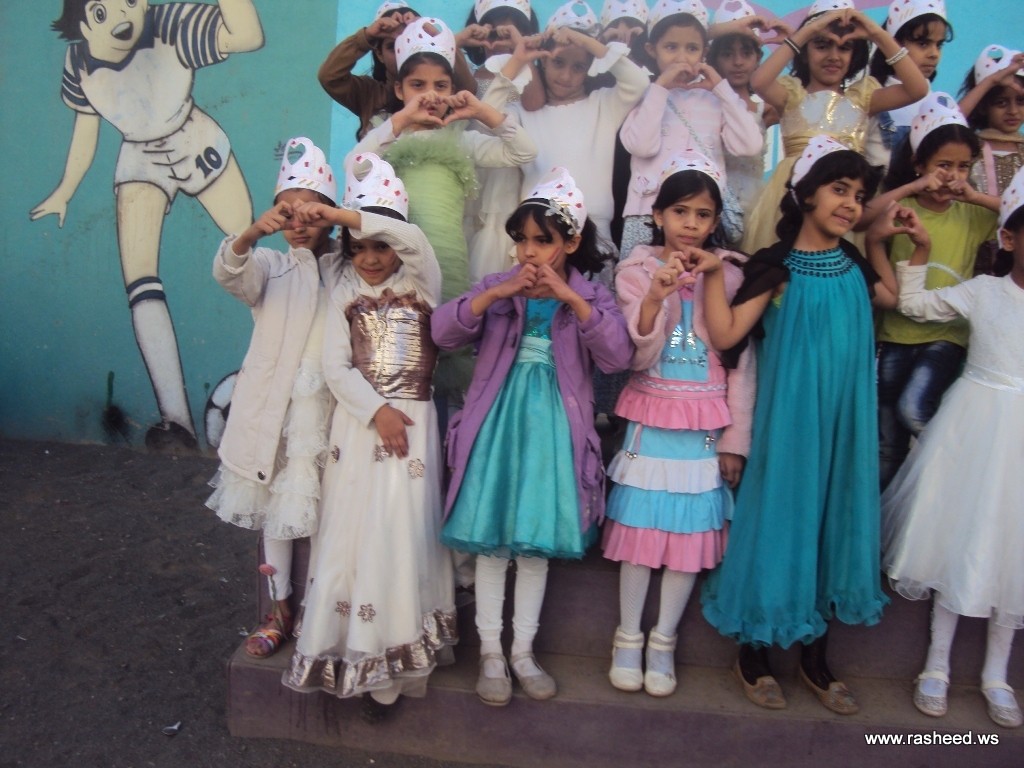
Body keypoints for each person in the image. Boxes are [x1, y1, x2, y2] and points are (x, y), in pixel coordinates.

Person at [695, 137, 898, 714]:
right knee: (781, 521)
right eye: (839, 189)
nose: (851, 204)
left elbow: (889, 296)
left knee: (832, 523)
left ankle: (815, 657)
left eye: (859, 196)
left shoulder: (853, 264)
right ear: (806, 193)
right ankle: (753, 652)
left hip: (843, 426)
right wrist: (714, 274)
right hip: (789, 426)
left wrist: (877, 243)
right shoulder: (775, 266)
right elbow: (728, 334)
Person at [433, 169, 632, 706]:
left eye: (542, 240)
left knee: (535, 548)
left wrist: (571, 298)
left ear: (572, 241)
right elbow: (442, 332)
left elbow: (618, 355)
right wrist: (495, 292)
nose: (528, 252)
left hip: (553, 434)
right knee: (493, 545)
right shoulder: (500, 288)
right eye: (521, 239)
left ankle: (522, 652)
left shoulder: (590, 294)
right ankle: (491, 654)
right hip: (496, 429)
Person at [30, 0, 264, 451]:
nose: (122, 16)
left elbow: (247, 36)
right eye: (102, 12)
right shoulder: (78, 61)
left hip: (195, 139)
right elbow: (85, 129)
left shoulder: (171, 25)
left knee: (252, 258)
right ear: (82, 24)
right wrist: (65, 190)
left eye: (131, 2)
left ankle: (268, 387)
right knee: (140, 280)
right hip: (140, 157)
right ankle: (177, 422)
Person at [282, 153, 456, 723]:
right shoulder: (343, 292)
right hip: (358, 430)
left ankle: (397, 659)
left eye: (380, 246)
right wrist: (377, 411)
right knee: (353, 531)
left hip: (413, 431)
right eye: (359, 250)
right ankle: (356, 653)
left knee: (398, 530)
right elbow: (336, 366)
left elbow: (411, 240)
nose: (372, 258)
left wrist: (341, 215)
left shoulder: (422, 282)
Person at [603, 153, 755, 698]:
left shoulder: (731, 274)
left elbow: (741, 362)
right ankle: (627, 636)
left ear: (715, 222)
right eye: (680, 211)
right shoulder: (635, 271)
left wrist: (736, 441)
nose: (690, 224)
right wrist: (655, 297)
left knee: (690, 536)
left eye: (703, 214)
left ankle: (663, 640)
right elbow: (634, 354)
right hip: (651, 415)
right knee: (640, 533)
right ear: (658, 216)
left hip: (706, 422)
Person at [882, 166, 1024, 730]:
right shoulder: (985, 292)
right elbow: (913, 306)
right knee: (958, 532)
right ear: (1008, 238)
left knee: (1014, 547)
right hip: (975, 427)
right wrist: (919, 251)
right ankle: (936, 664)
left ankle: (997, 674)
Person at [350, 15, 537, 408]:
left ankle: (440, 439)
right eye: (417, 86)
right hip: (397, 267)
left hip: (448, 264)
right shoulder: (388, 135)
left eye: (441, 85)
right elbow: (355, 165)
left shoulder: (461, 139)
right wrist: (401, 121)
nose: (430, 95)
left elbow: (523, 152)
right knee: (401, 357)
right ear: (398, 88)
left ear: (454, 89)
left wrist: (481, 112)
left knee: (446, 356)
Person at [206, 138, 340, 659]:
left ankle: (318, 611)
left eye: (310, 210)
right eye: (287, 211)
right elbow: (229, 274)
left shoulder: (347, 267)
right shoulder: (268, 265)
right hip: (278, 409)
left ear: (329, 213)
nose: (298, 222)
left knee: (329, 507)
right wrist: (251, 233)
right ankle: (279, 608)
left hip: (330, 406)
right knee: (277, 506)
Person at [859, 93, 999, 489]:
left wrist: (975, 194)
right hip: (894, 333)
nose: (952, 176)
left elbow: (1013, 213)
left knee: (913, 408)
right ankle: (886, 518)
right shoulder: (900, 208)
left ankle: (963, 467)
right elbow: (864, 219)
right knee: (888, 443)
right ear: (919, 163)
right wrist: (914, 186)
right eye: (942, 165)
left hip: (946, 334)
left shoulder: (972, 213)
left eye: (962, 167)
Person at [739, 0, 928, 255]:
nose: (833, 56)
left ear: (855, 54)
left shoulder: (863, 98)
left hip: (844, 201)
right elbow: (759, 81)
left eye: (845, 47)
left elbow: (918, 89)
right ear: (805, 51)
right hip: (792, 197)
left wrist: (876, 34)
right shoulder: (791, 94)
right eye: (821, 45)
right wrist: (806, 31)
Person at [502, 1, 649, 255]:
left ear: (590, 68)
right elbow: (486, 117)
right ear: (543, 61)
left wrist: (585, 41)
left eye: (578, 66)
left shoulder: (603, 105)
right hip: (538, 238)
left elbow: (638, 82)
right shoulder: (522, 112)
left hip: (595, 234)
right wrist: (520, 57)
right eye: (558, 62)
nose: (566, 76)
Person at [618, 0, 763, 258]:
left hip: (701, 218)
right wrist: (660, 89)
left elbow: (750, 145)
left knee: (698, 278)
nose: (682, 58)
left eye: (692, 48)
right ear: (652, 49)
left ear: (704, 53)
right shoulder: (644, 94)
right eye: (671, 47)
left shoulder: (715, 99)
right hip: (647, 213)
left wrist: (721, 89)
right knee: (643, 278)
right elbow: (641, 146)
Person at [317, 2, 477, 140]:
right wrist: (367, 36)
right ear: (379, 54)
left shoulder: (441, 93)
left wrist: (433, 34)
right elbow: (330, 77)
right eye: (392, 47)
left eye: (411, 42)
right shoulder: (369, 94)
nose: (403, 52)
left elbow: (468, 88)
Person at [706, 0, 787, 222]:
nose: (738, 62)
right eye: (727, 54)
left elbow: (807, 97)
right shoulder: (701, 104)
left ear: (758, 58)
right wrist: (726, 28)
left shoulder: (766, 110)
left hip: (753, 212)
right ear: (714, 59)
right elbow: (689, 37)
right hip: (709, 204)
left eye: (746, 53)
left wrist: (792, 43)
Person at [958, 44, 1024, 276]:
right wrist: (990, 82)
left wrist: (978, 198)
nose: (1013, 111)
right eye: (1001, 102)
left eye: (1021, 101)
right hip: (971, 251)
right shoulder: (968, 148)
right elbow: (948, 123)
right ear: (983, 106)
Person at [865, 0, 953, 168]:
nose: (934, 54)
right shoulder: (874, 96)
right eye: (923, 44)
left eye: (939, 45)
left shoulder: (940, 103)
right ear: (894, 44)